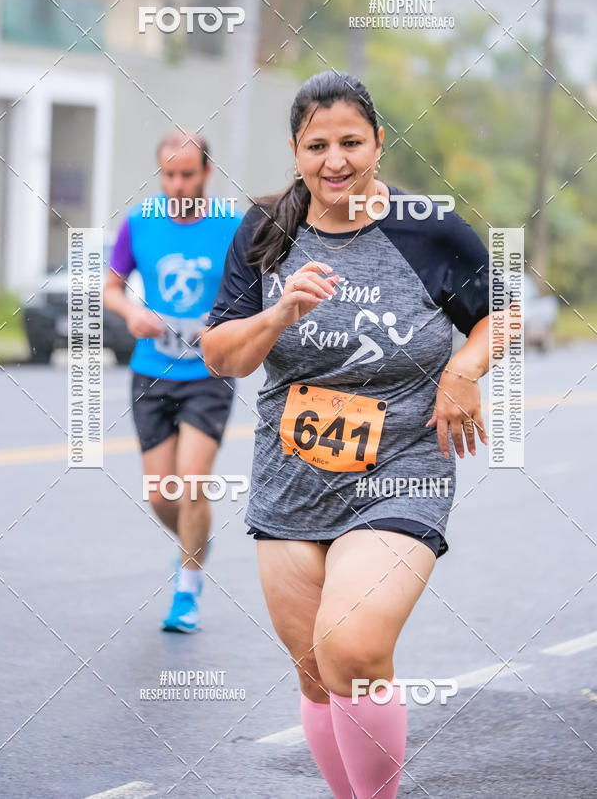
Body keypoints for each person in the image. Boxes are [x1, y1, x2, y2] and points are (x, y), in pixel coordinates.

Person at [201, 71, 490, 797]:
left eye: (351, 142)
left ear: (379, 142)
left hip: (402, 466)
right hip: (292, 475)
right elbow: (223, 356)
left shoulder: (430, 228)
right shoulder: (265, 230)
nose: (336, 160)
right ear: (296, 151)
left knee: (353, 652)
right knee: (316, 670)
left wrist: (463, 369)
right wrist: (278, 315)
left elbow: (500, 312)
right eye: (317, 145)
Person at [103, 133, 242, 633]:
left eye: (188, 174)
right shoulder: (140, 223)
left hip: (209, 372)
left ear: (206, 173)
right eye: (169, 174)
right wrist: (132, 312)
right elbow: (111, 289)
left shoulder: (232, 224)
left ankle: (187, 589)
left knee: (192, 481)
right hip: (151, 371)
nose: (178, 184)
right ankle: (195, 541)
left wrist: (223, 321)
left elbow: (256, 289)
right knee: (163, 494)